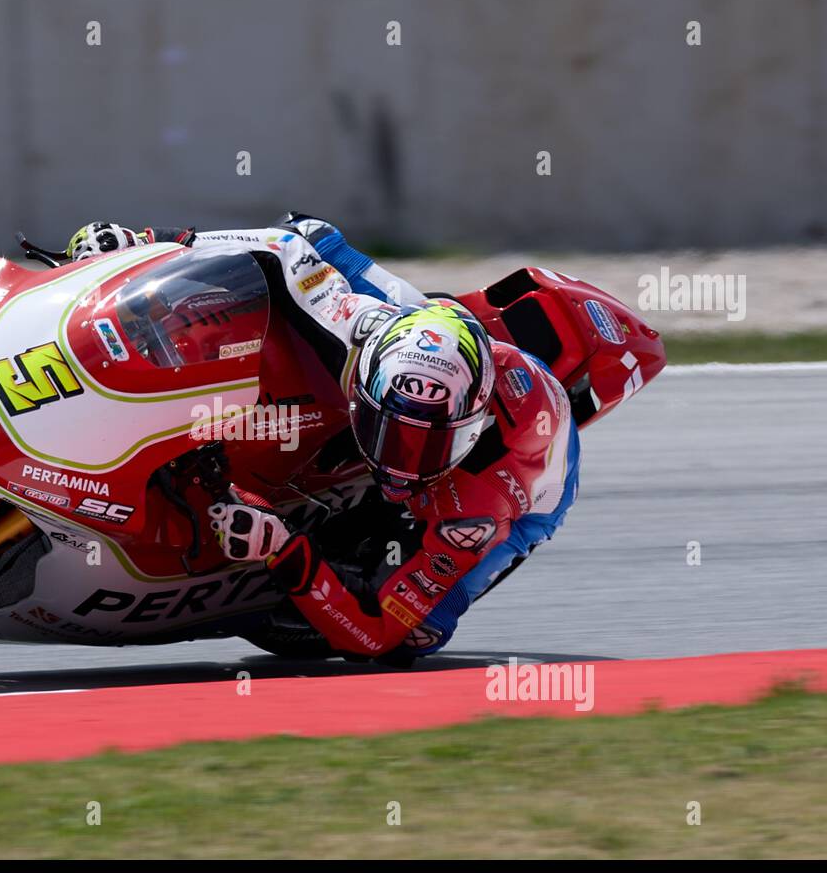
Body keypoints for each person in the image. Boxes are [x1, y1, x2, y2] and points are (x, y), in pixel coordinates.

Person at [63, 215, 578, 660]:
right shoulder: (356, 329)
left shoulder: (477, 509)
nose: (403, 465)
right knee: (308, 235)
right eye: (391, 433)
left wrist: (286, 550)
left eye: (428, 446)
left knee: (416, 637)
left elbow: (373, 636)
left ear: (466, 430)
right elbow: (282, 248)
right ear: (366, 385)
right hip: (420, 325)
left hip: (524, 491)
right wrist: (144, 241)